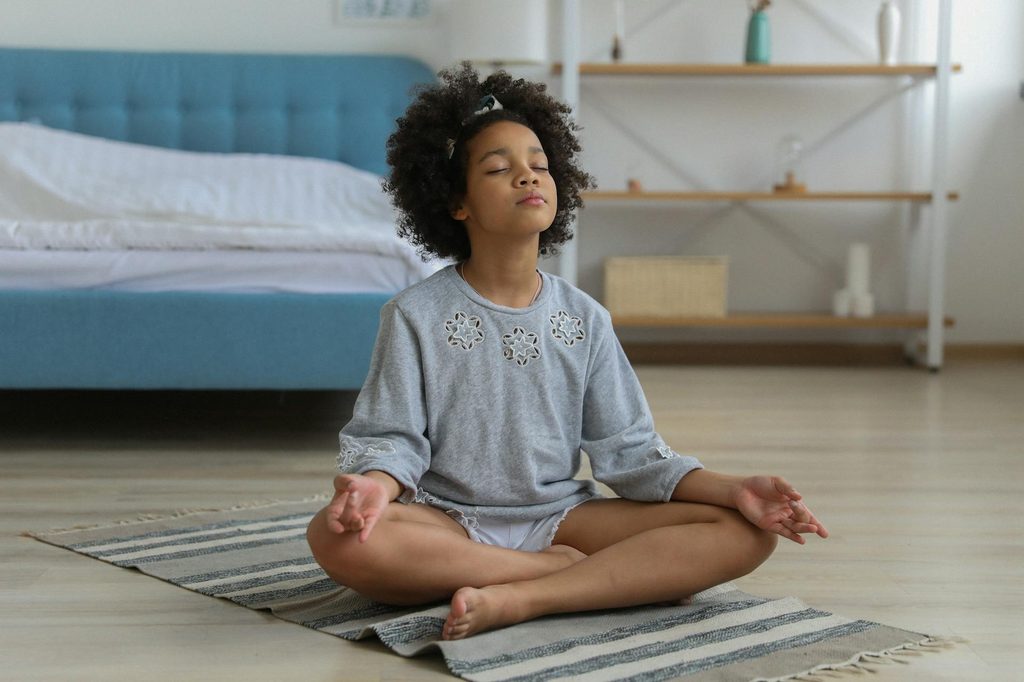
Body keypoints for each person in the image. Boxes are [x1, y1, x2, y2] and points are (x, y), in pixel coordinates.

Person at [306, 63, 828, 641]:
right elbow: (392, 438)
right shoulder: (413, 314)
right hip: (443, 524)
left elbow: (631, 454)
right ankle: (547, 577)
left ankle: (527, 599)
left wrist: (735, 489)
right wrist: (374, 488)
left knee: (744, 531)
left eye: (540, 166)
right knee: (334, 536)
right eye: (500, 168)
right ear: (456, 203)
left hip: (564, 522)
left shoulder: (585, 319)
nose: (528, 178)